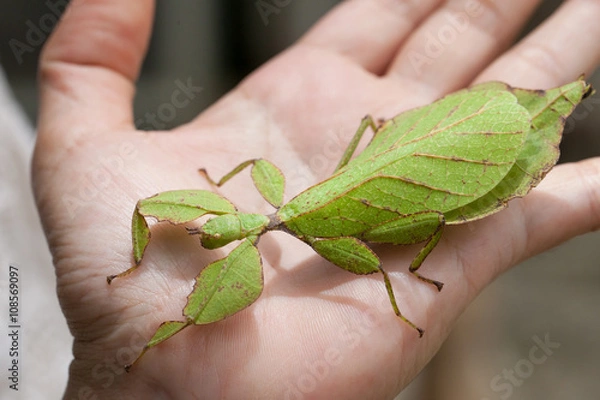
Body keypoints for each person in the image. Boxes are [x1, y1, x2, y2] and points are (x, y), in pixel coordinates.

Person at [33, 1, 600, 398]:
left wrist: (406, 298)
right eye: (219, 231)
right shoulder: (277, 215)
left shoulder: (282, 217)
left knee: (427, 219)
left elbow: (379, 258)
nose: (213, 233)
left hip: (428, 157)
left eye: (215, 227)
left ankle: (558, 102)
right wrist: (145, 384)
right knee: (416, 215)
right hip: (417, 157)